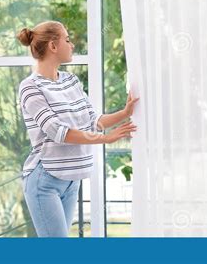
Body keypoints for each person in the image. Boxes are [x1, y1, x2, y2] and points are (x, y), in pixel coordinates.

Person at [16, 20, 139, 237]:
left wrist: (124, 113)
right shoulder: (30, 87)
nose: (72, 45)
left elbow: (93, 120)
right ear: (53, 46)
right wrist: (105, 139)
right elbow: (58, 132)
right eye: (67, 39)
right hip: (45, 180)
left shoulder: (70, 81)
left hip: (72, 179)